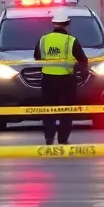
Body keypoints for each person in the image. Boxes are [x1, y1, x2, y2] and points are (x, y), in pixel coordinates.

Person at [34, 8, 89, 145]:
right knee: (66, 110)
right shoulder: (71, 40)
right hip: (66, 80)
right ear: (67, 23)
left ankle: (49, 136)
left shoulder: (43, 39)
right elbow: (82, 59)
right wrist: (82, 72)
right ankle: (63, 138)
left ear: (53, 23)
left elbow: (37, 56)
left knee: (48, 109)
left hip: (47, 80)